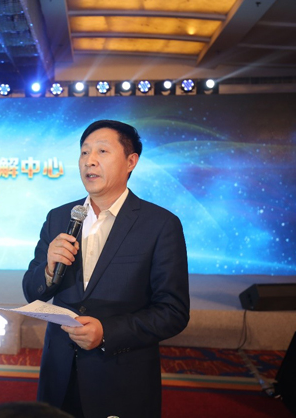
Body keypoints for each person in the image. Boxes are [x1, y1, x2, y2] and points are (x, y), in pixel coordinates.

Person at [22, 119, 190, 418]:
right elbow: (32, 290)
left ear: (131, 162)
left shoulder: (160, 225)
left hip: (120, 377)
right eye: (84, 152)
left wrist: (107, 332)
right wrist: (48, 270)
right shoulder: (59, 217)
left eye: (102, 151)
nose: (90, 161)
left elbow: (173, 311)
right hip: (59, 374)